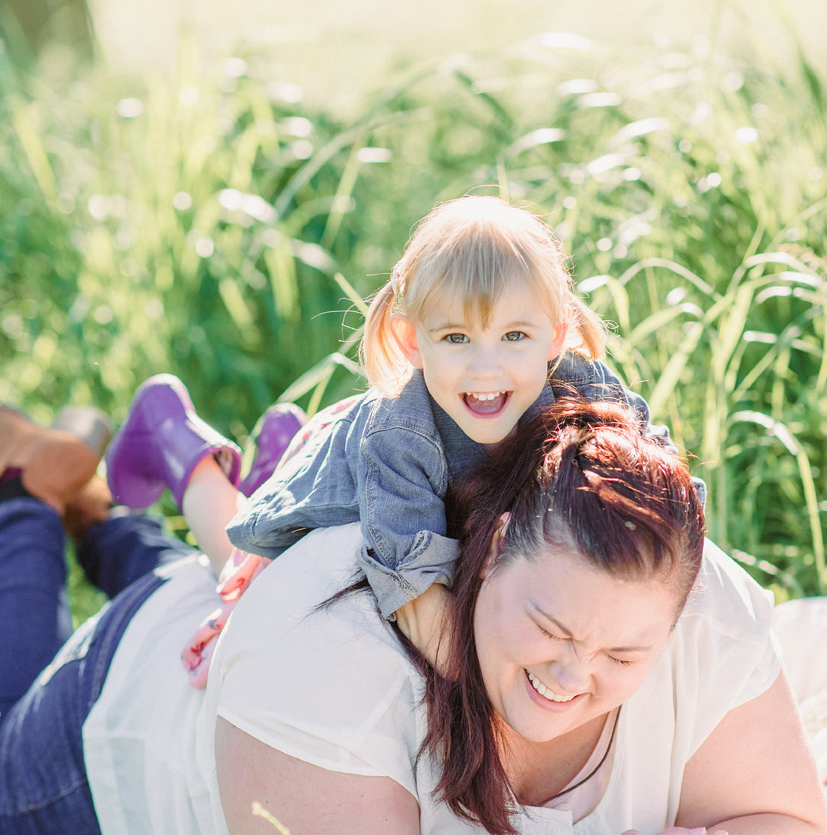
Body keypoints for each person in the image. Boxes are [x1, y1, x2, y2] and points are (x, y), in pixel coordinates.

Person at [0, 393, 827, 835]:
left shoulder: (689, 595)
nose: (576, 677)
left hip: (219, 610)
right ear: (487, 547)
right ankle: (28, 495)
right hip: (125, 712)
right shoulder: (329, 650)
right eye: (552, 629)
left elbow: (788, 825)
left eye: (622, 655)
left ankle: (110, 514)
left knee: (192, 576)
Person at [106, 196, 705, 673]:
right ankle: (175, 440)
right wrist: (491, 691)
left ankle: (280, 448)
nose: (487, 367)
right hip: (346, 481)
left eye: (515, 337)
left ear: (555, 335)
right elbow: (415, 593)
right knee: (236, 564)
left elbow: (660, 487)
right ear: (412, 342)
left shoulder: (580, 387)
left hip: (364, 435)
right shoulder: (401, 440)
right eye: (456, 339)